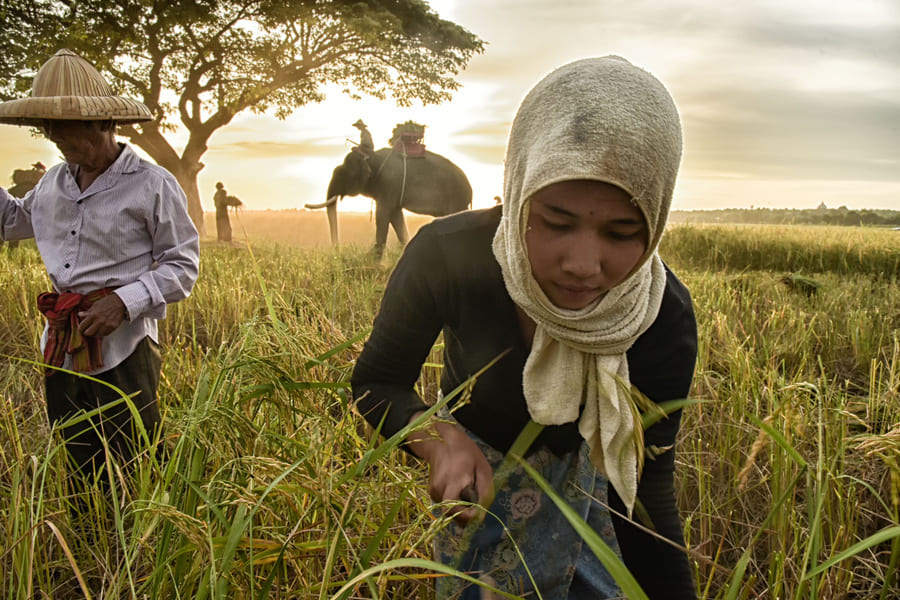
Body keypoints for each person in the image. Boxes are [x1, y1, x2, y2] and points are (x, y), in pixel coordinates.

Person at [351, 56, 697, 599]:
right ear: (517, 193)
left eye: (622, 231)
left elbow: (648, 487)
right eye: (555, 222)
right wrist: (438, 440)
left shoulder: (659, 316)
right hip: (480, 505)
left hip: (598, 511)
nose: (584, 263)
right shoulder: (447, 255)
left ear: (654, 225)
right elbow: (375, 384)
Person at [0, 50, 199, 508]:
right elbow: (11, 223)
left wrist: (123, 303)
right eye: (47, 125)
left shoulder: (153, 183)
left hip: (125, 349)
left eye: (64, 125)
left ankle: (140, 557)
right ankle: (90, 553)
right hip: (62, 345)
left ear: (102, 121)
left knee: (132, 463)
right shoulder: (52, 183)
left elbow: (182, 263)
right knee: (77, 459)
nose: (53, 136)